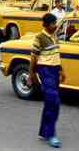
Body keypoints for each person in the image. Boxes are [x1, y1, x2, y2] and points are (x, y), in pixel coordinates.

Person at [27, 12, 63, 148]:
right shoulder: (39, 38)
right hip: (45, 71)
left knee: (51, 103)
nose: (55, 25)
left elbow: (56, 54)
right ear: (47, 25)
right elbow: (33, 58)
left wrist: (61, 70)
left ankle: (44, 131)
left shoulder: (54, 36)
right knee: (54, 101)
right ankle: (51, 134)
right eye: (53, 24)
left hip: (54, 71)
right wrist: (31, 75)